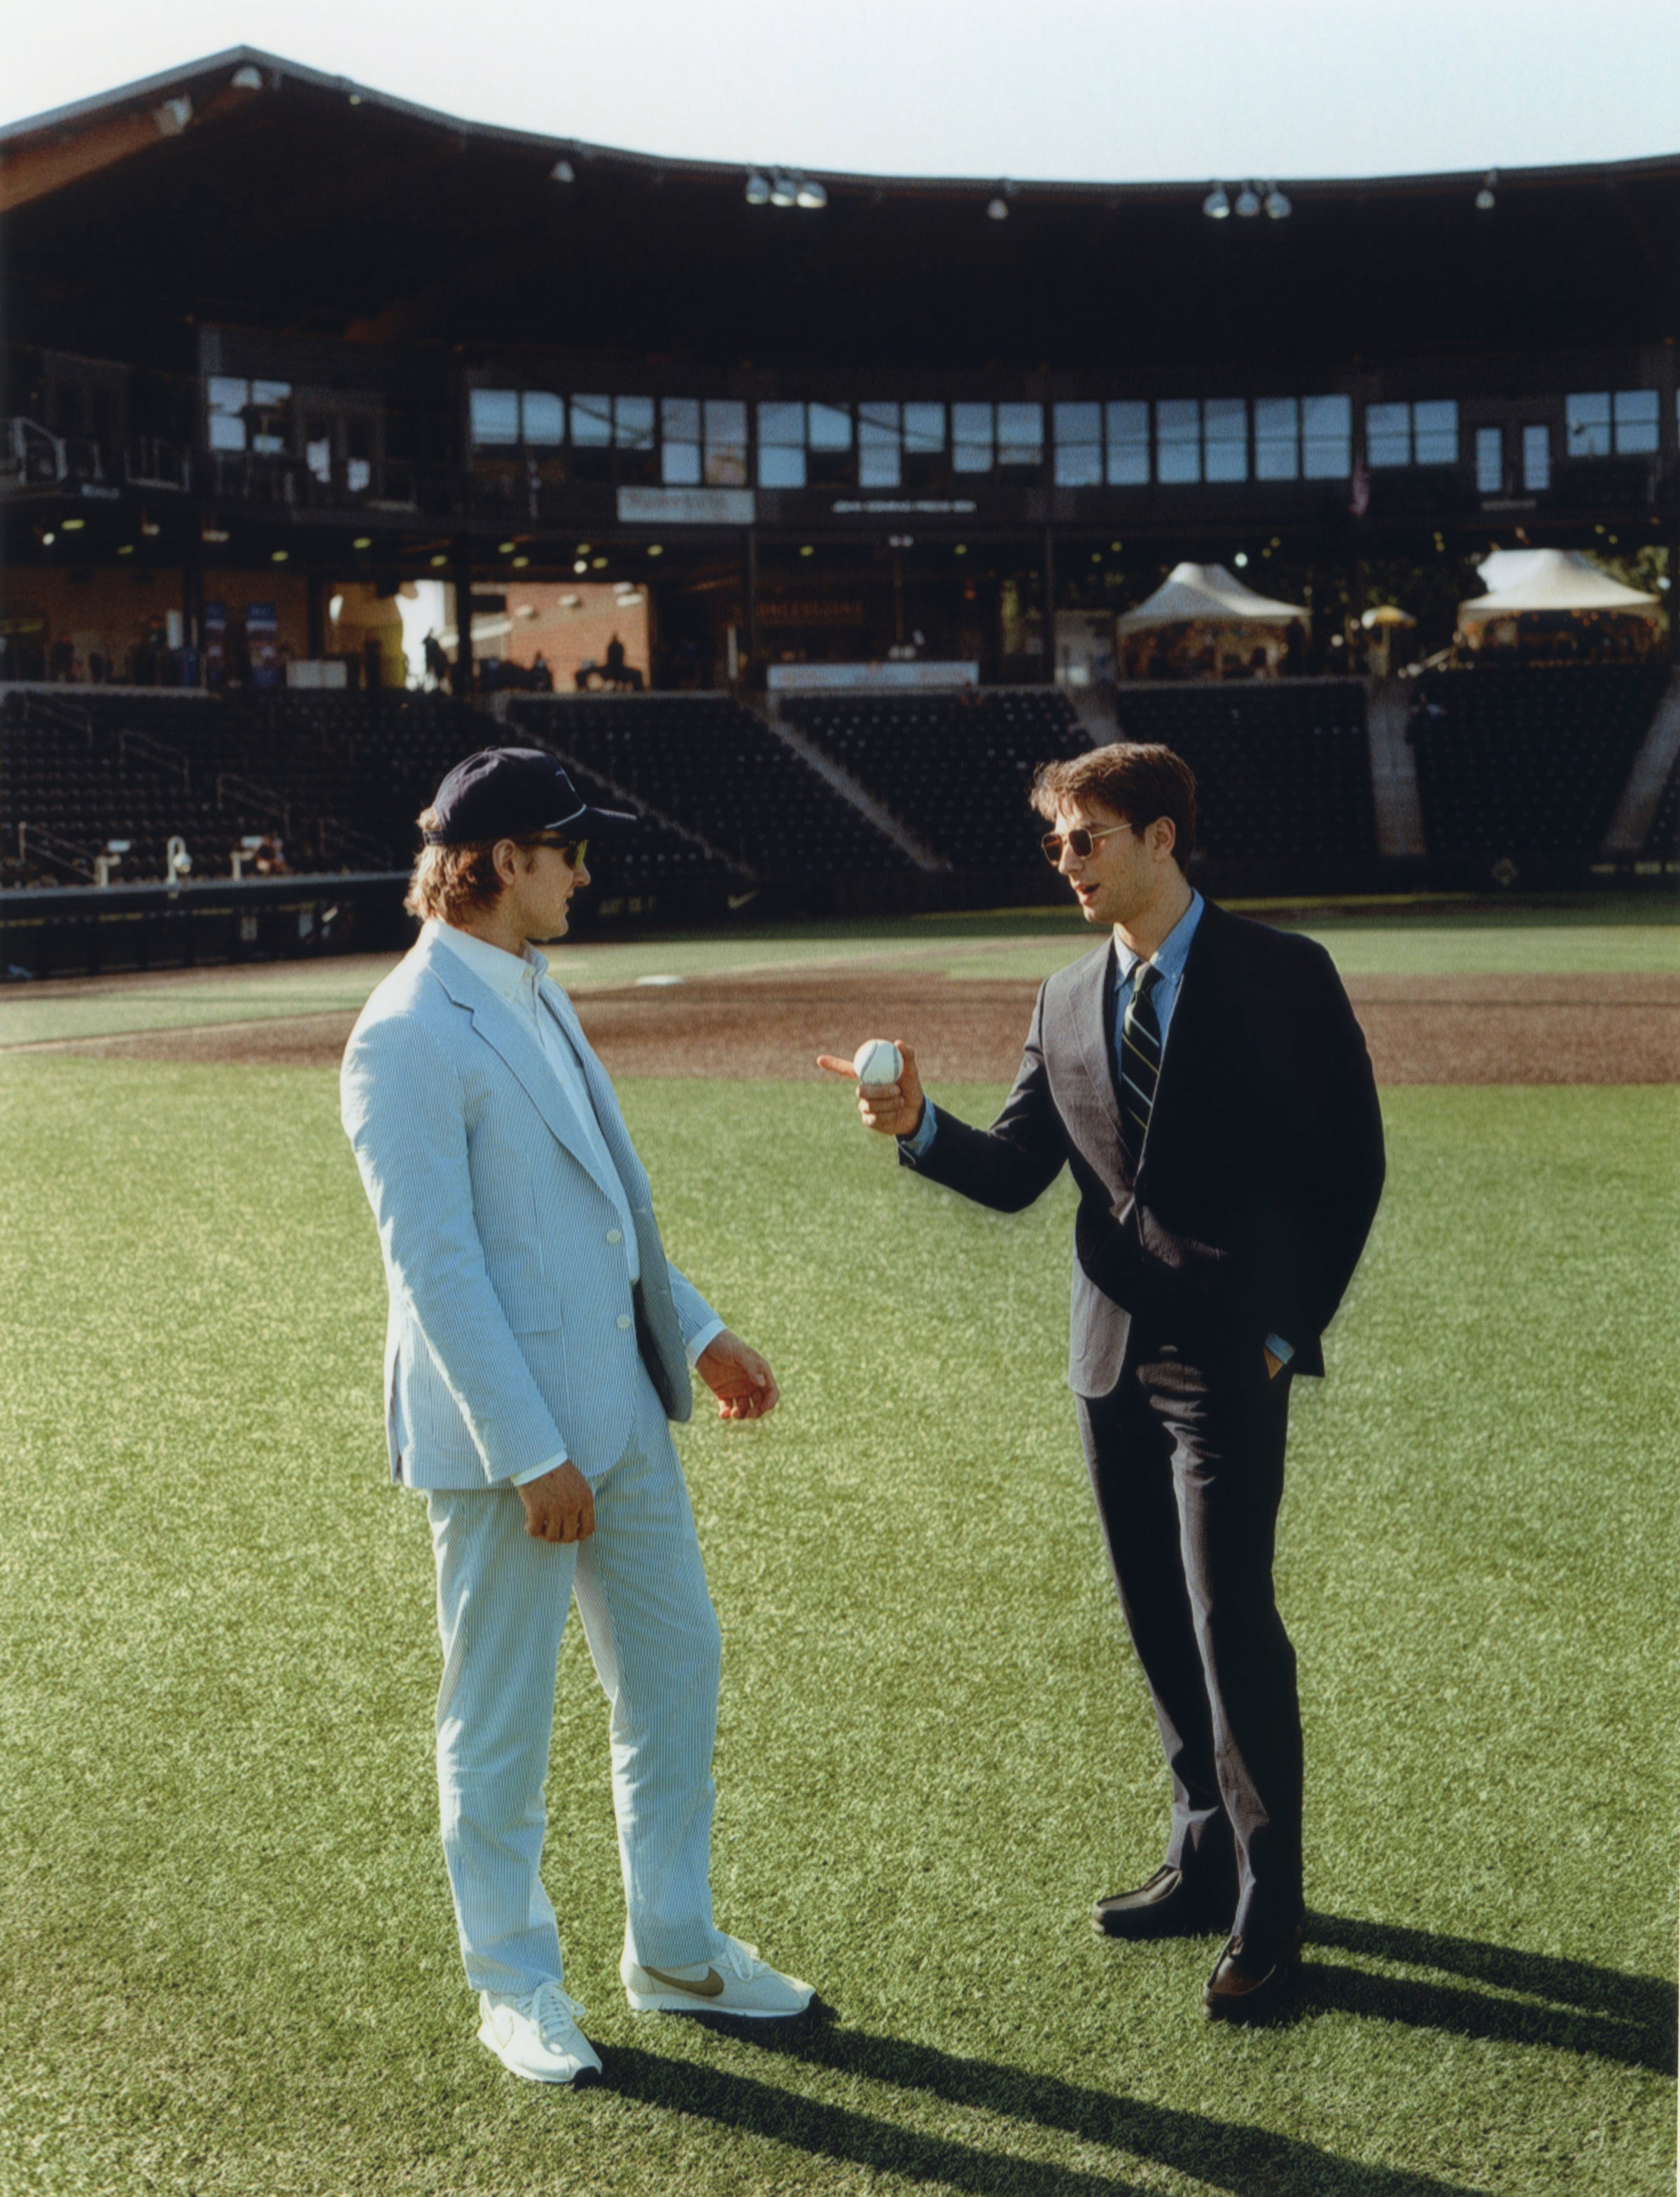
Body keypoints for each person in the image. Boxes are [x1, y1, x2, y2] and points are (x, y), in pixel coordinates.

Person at [819, 741, 1384, 2023]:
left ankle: (1269, 1897)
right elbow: (1022, 1172)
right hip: (1107, 1355)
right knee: (1151, 1614)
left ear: (1163, 837)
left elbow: (1348, 1169)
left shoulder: (1288, 975)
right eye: (1057, 842)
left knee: (1229, 1617)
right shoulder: (1066, 997)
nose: (1065, 860)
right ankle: (1199, 1849)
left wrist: (1290, 1335)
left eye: (1088, 838)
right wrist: (917, 1129)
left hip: (1233, 1354)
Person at [342, 748, 815, 2088]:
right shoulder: (405, 1029)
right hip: (517, 1452)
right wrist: (529, 1450)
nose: (586, 872)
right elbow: (436, 1268)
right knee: (496, 1718)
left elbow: (594, 1213)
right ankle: (513, 1981)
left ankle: (672, 1947)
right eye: (569, 850)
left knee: (675, 1672)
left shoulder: (531, 986)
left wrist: (703, 1329)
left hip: (624, 1410)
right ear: (499, 862)